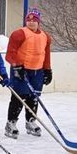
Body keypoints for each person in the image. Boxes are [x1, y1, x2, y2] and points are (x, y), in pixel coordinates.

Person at [4, 8, 52, 139]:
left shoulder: (45, 37)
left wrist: (47, 69)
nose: (31, 23)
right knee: (19, 96)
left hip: (38, 71)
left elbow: (46, 54)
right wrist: (17, 66)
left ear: (38, 22)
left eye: (34, 20)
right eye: (28, 20)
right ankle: (11, 123)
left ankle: (31, 121)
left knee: (34, 96)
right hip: (21, 70)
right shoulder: (19, 34)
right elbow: (10, 54)